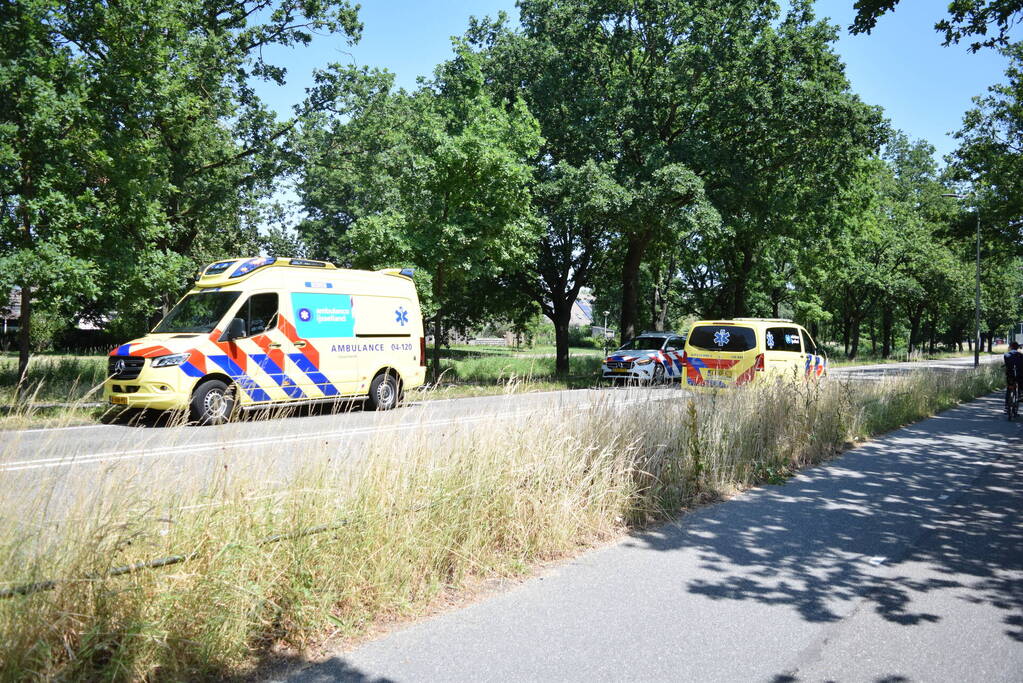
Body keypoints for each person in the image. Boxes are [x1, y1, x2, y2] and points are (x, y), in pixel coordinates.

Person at [1004, 341, 1023, 416]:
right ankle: (1020, 394)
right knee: (1021, 384)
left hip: (1010, 375)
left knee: (1009, 388)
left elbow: (1007, 365)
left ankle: (1006, 406)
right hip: (1019, 375)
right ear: (1017, 347)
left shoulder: (1006, 355)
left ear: (1010, 347)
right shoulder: (1021, 355)